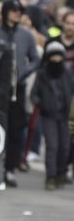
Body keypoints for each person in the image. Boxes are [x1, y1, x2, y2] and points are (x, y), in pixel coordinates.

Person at [0, 0, 40, 187]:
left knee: (16, 128)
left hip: (17, 88)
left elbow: (35, 59)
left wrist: (23, 72)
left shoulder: (26, 36)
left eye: (19, 10)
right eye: (13, 10)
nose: (17, 13)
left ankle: (10, 168)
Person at [31, 42, 74, 190]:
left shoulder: (67, 73)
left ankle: (61, 173)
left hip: (65, 115)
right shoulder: (42, 74)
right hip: (48, 115)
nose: (56, 60)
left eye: (58, 57)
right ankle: (51, 176)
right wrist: (41, 104)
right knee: (52, 146)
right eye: (53, 57)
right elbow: (34, 94)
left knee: (65, 146)